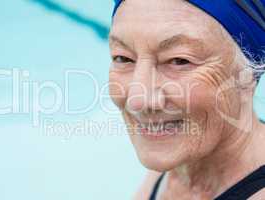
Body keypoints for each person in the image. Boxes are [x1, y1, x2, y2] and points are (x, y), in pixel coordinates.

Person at [108, 0, 265, 199]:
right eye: (123, 58)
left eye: (179, 61)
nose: (137, 101)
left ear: (249, 73)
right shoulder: (176, 158)